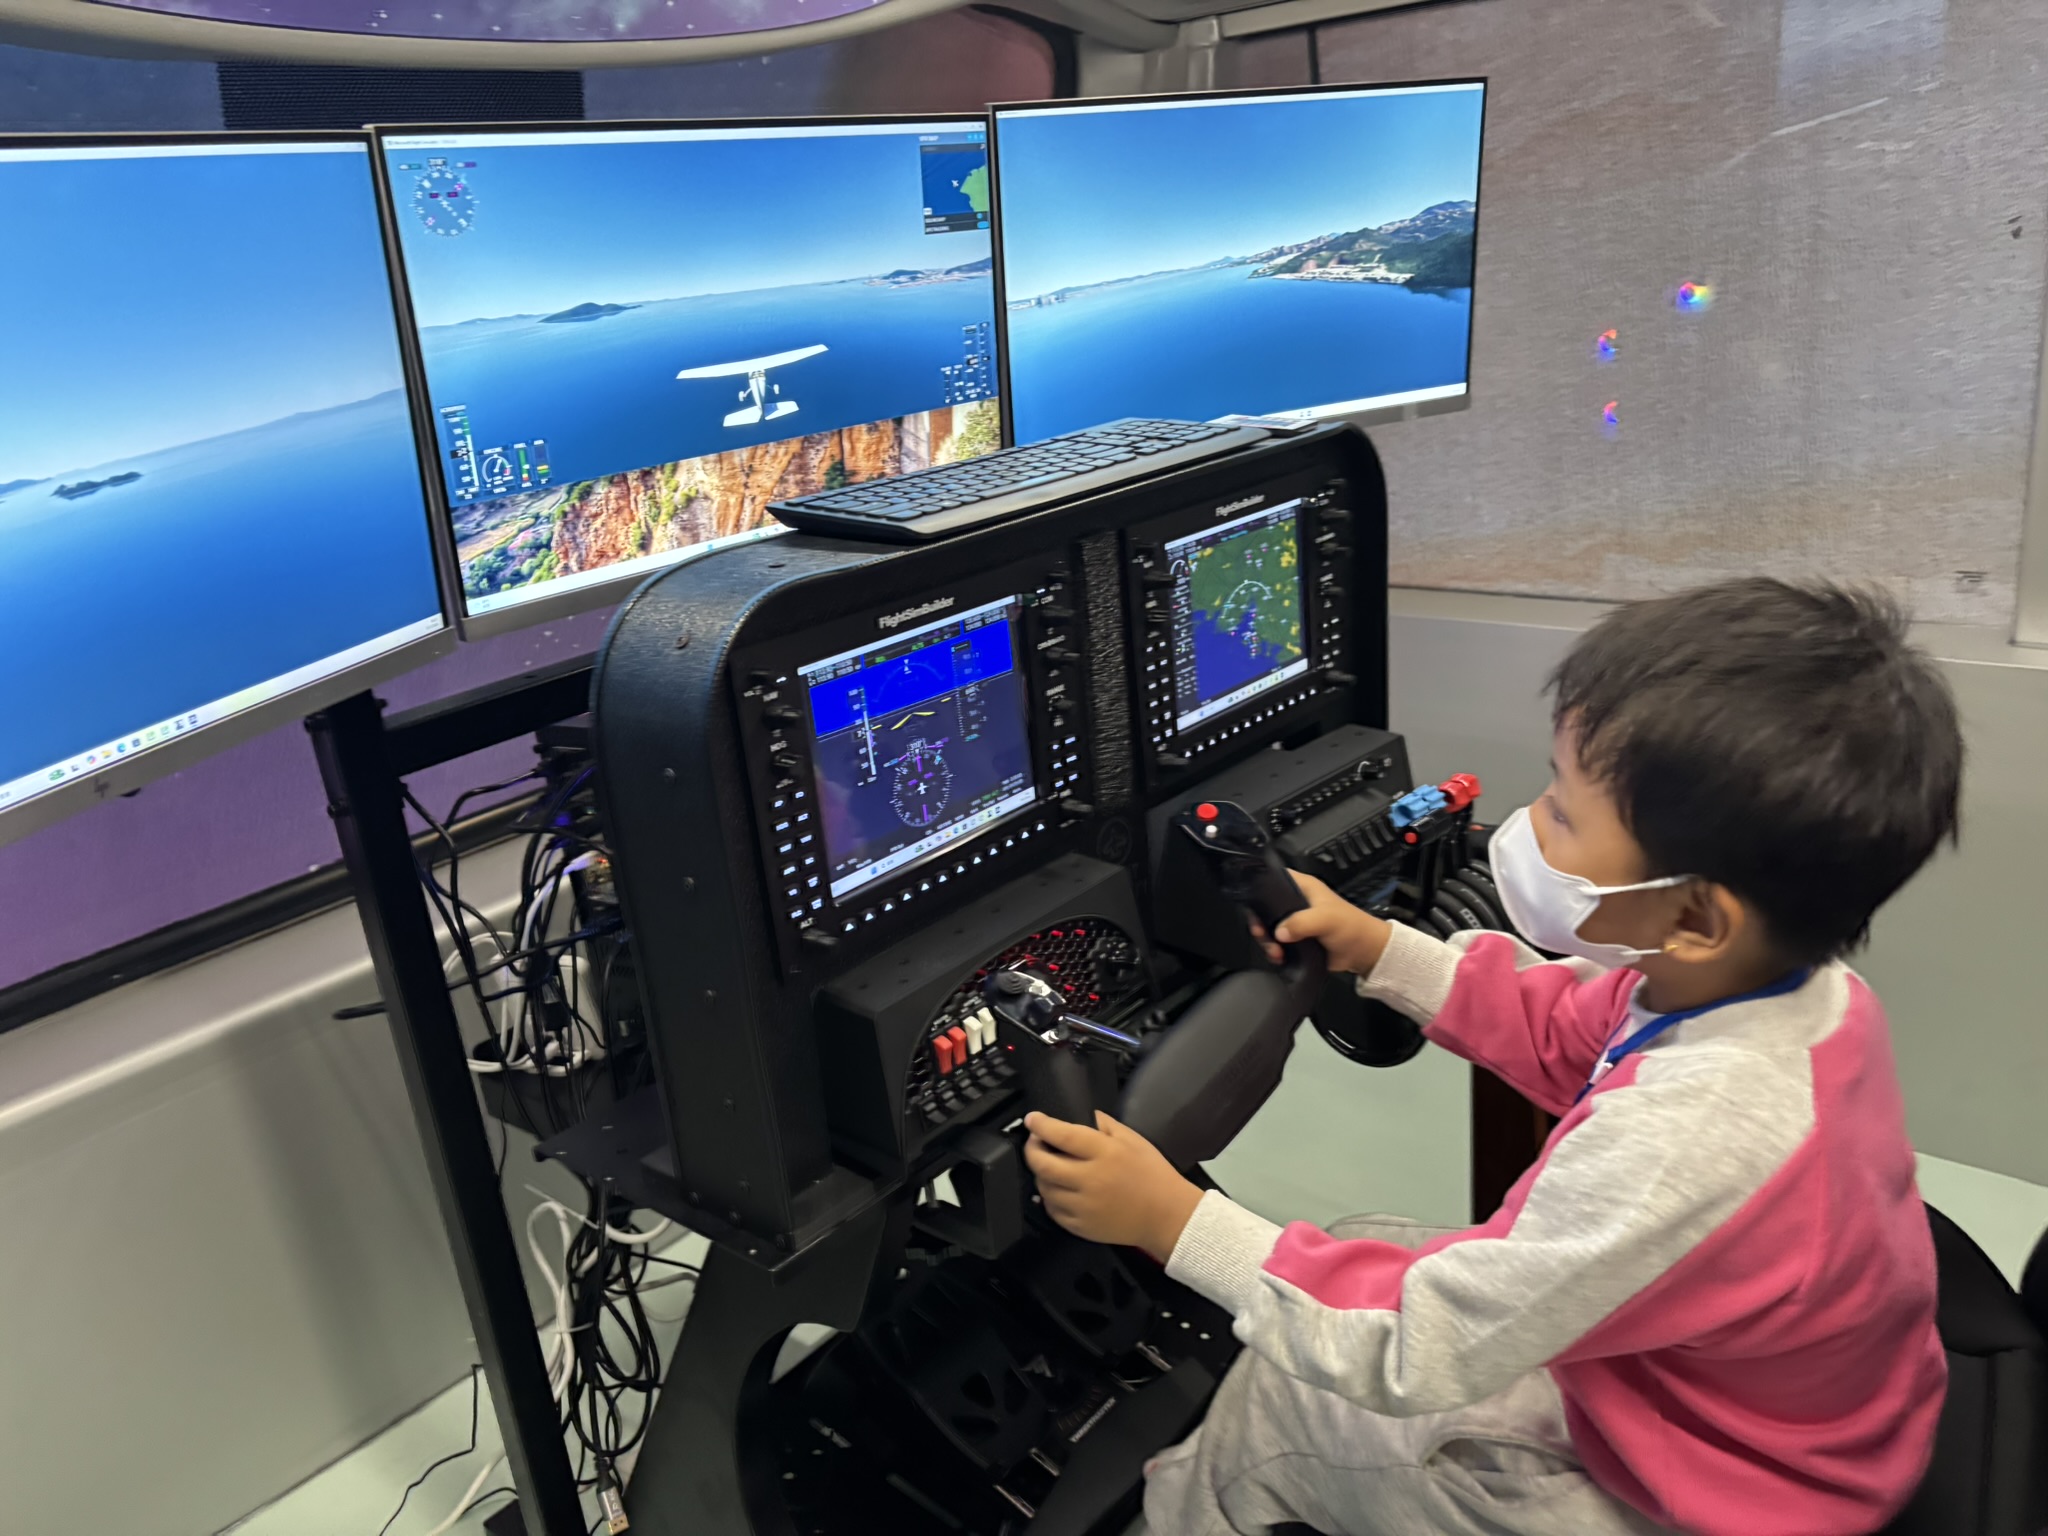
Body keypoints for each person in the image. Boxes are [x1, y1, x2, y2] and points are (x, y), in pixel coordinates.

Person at [1022, 578, 1962, 1536]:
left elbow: (1417, 1341)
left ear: (1695, 917)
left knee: (1274, 1406)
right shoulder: (1801, 999)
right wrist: (1378, 948)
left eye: (1566, 815)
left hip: (1725, 1497)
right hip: (1783, 1416)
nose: (1533, 822)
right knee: (1366, 1235)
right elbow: (1568, 1026)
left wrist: (1172, 1221)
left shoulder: (1689, 1142)